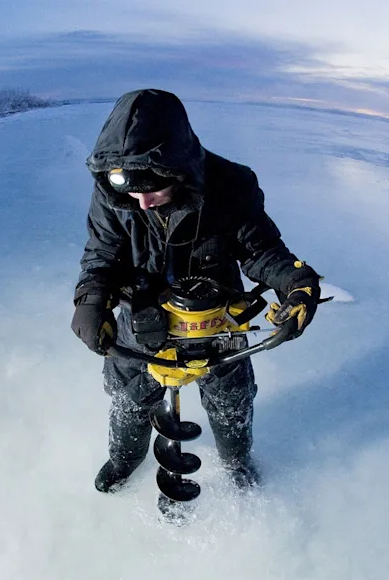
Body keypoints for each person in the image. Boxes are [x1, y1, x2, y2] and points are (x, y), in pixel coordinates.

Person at [71, 89, 322, 493]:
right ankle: (125, 459)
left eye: (153, 188)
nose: (143, 201)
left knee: (231, 404)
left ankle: (236, 462)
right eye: (130, 190)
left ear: (178, 167)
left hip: (216, 325)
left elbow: (261, 251)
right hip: (141, 323)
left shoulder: (231, 185)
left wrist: (297, 283)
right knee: (129, 403)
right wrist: (91, 301)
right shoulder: (114, 194)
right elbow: (101, 254)